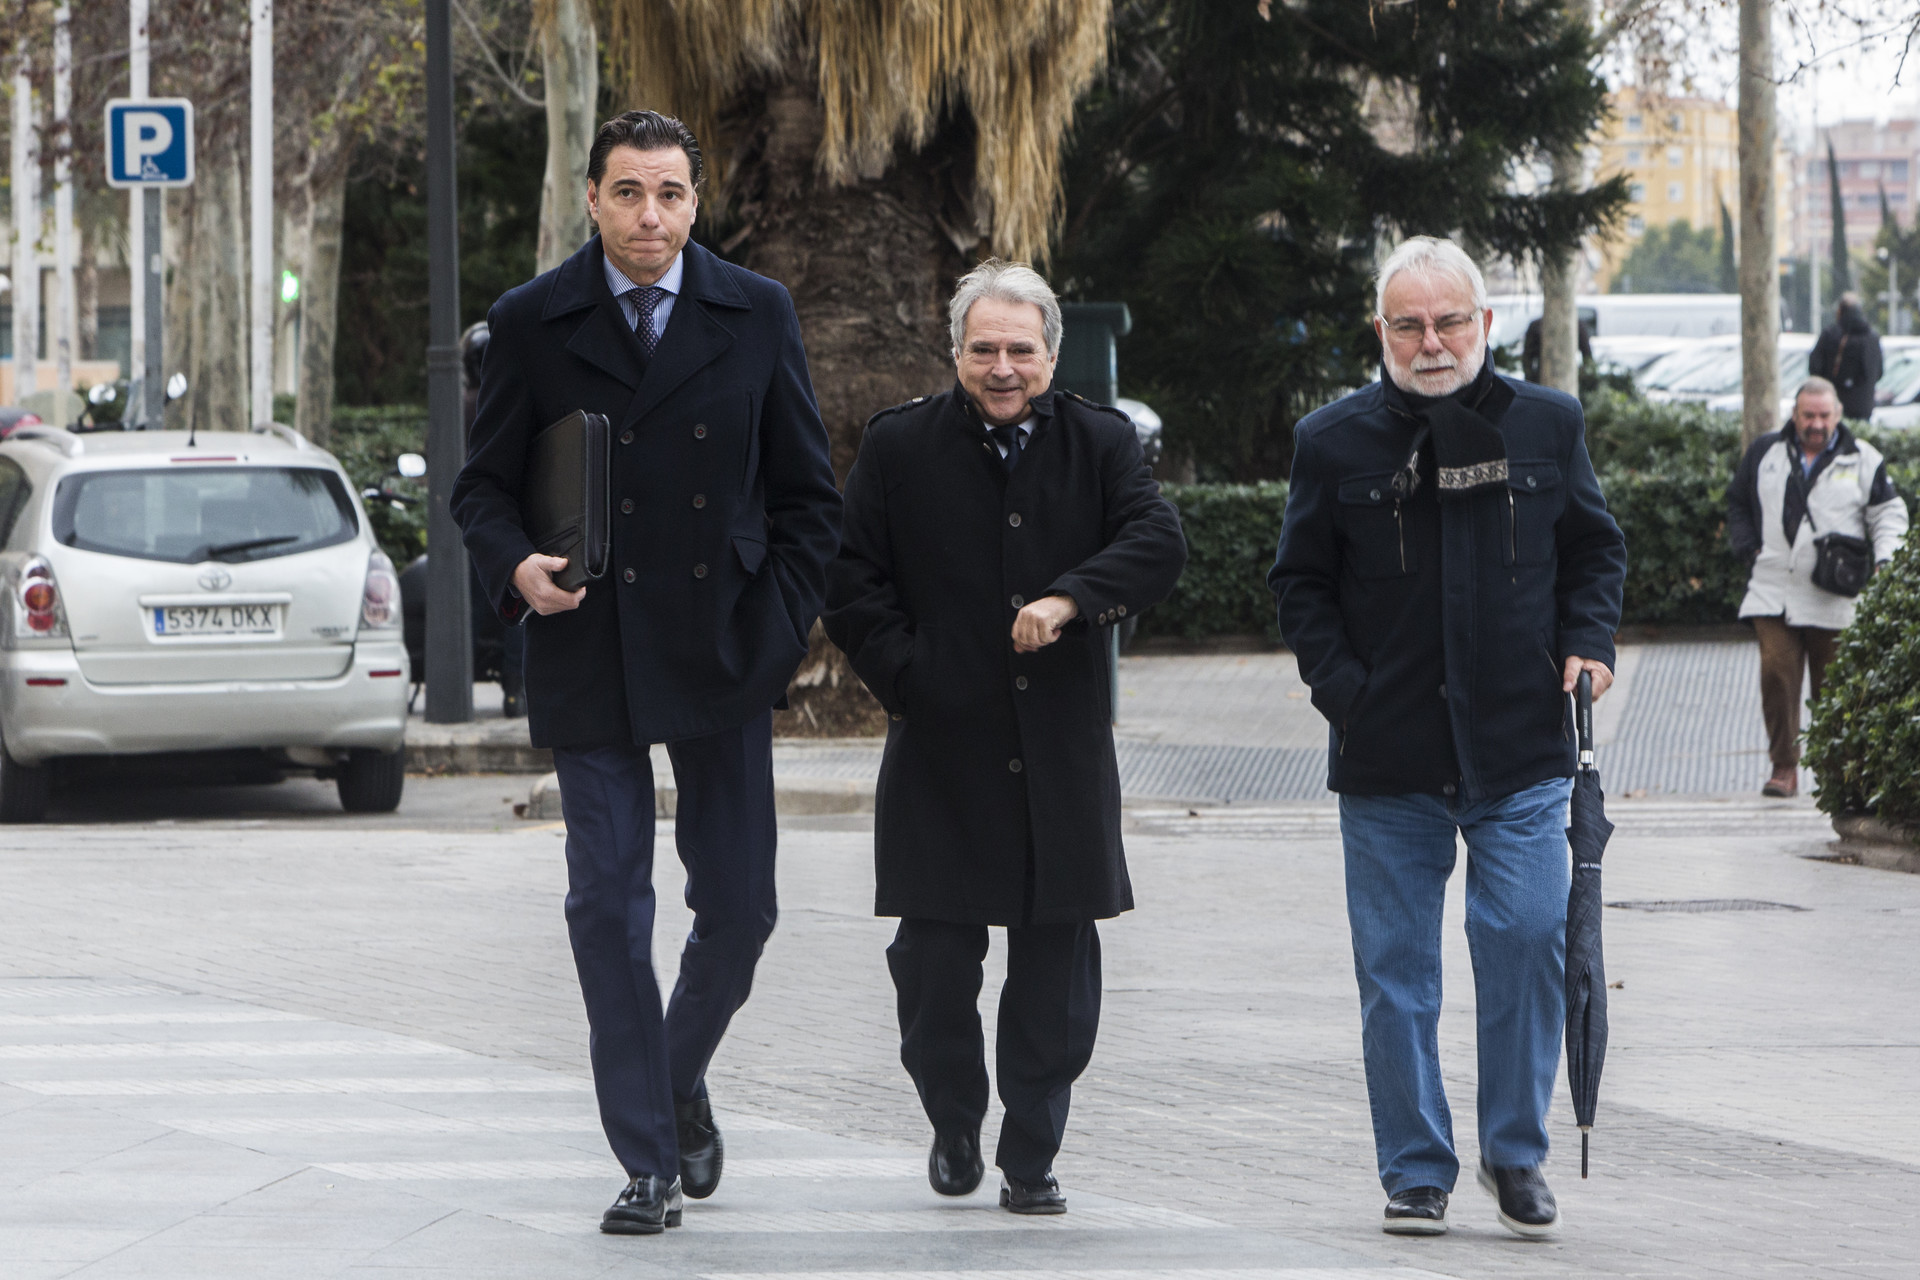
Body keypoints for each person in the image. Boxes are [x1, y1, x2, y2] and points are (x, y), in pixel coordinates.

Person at [450, 110, 841, 1235]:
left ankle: (671, 1076)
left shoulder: (755, 311)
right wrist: (515, 566)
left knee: (743, 906)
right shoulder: (532, 321)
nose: (650, 217)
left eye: (670, 193)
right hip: (587, 642)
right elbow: (481, 489)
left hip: (723, 644)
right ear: (591, 198)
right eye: (629, 193)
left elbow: (811, 499)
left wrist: (775, 634)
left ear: (694, 201)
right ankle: (648, 1160)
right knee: (607, 908)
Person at [1268, 236, 1626, 1240]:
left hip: (1519, 749)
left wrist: (1589, 643)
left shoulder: (1547, 424)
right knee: (1397, 973)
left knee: (1524, 941)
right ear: (1380, 330)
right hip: (1389, 760)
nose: (1432, 342)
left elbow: (1594, 546)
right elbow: (1299, 582)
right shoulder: (1333, 439)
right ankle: (1417, 1168)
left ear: (1486, 321)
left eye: (1449, 321)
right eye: (1409, 324)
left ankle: (1515, 1152)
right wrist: (1346, 689)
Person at [823, 260, 1186, 1216]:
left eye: (1019, 349)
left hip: (1059, 757)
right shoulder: (899, 447)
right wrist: (912, 676)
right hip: (941, 751)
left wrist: (1072, 597)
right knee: (933, 971)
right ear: (955, 355)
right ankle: (952, 1120)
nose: (1001, 367)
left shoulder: (1101, 443)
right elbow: (853, 583)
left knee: (1054, 980)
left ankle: (1032, 1154)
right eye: (983, 349)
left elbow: (1158, 543)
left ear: (1051, 356)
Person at [1727, 376, 1907, 797]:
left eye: (1824, 415)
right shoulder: (1765, 452)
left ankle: (1837, 772)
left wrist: (1886, 560)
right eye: (1809, 415)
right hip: (1773, 588)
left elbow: (1888, 514)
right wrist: (1747, 547)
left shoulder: (1863, 459)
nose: (1816, 423)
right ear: (1795, 413)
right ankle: (1784, 767)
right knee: (1777, 676)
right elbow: (1737, 501)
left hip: (1836, 595)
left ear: (1838, 416)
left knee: (1835, 688)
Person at [1808, 293, 1883, 421]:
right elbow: (1879, 372)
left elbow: (1815, 367)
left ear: (1840, 311)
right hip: (1864, 408)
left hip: (1833, 408)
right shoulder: (1872, 337)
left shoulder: (1831, 334)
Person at [1520, 314, 1592, 385]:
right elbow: (1527, 357)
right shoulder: (1536, 326)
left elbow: (1587, 357)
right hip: (1543, 377)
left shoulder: (1577, 325)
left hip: (1567, 377)